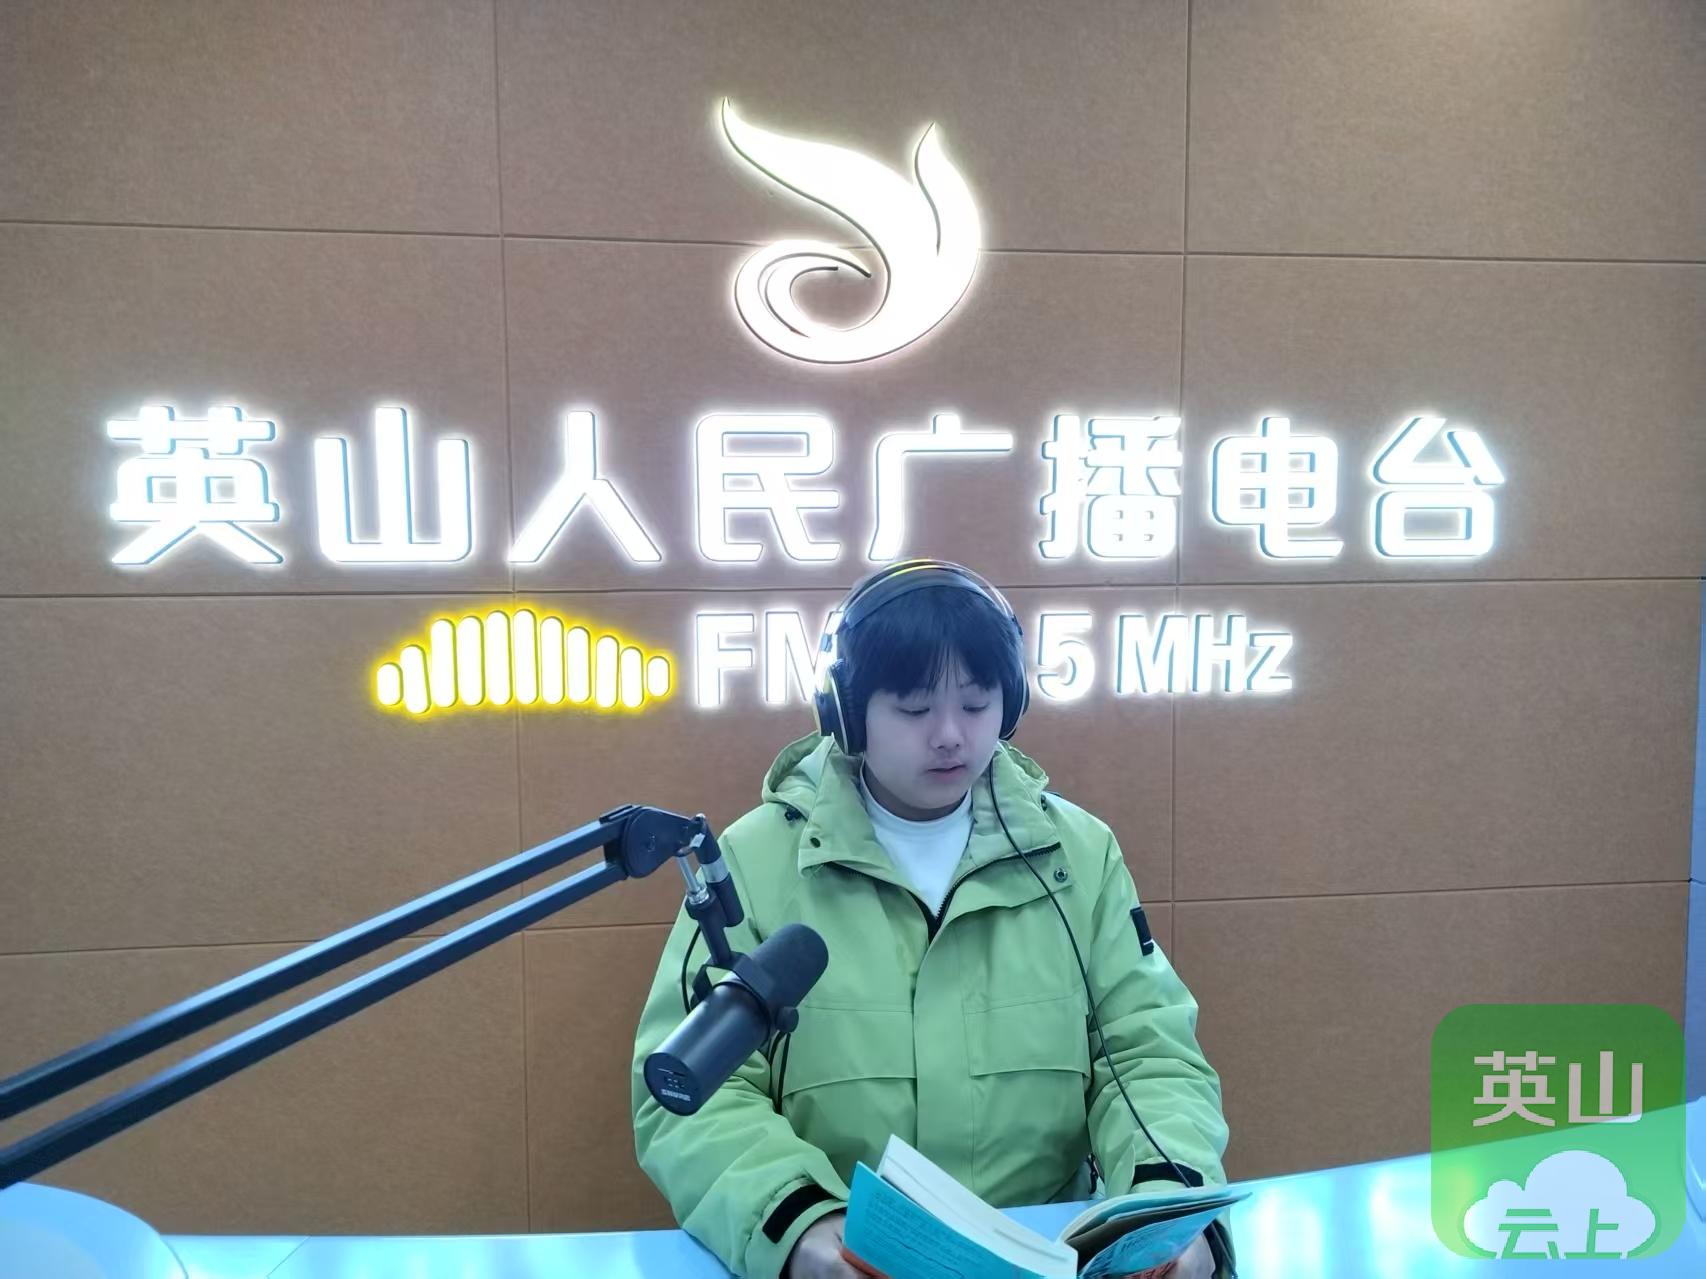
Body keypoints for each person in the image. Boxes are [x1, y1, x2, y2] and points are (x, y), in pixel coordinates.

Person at [631, 559, 1234, 1279]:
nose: (950, 735)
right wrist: (800, 1227)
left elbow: (1149, 1056)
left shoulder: (1077, 855)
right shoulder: (755, 863)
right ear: (847, 713)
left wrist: (1167, 1217)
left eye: (976, 705)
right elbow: (690, 1096)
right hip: (851, 1256)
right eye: (915, 709)